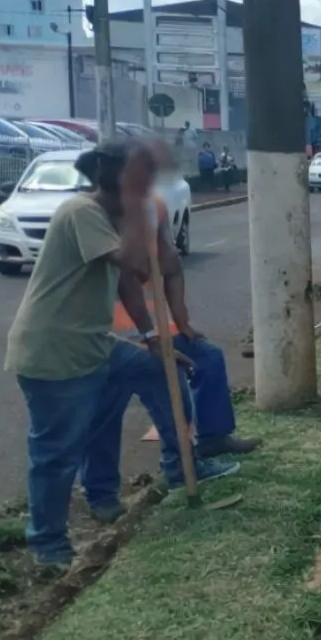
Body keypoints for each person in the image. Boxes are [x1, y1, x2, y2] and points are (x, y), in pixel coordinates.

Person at [3, 141, 227, 567]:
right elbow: (133, 263)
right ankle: (49, 546)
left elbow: (129, 282)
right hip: (53, 351)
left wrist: (153, 337)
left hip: (95, 345)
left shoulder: (112, 216)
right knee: (57, 452)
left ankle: (179, 468)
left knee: (161, 371)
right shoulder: (81, 212)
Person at [109, 172, 261, 471]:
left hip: (159, 329)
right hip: (118, 335)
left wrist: (182, 322)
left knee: (208, 357)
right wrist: (150, 335)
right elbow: (127, 276)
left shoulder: (155, 207)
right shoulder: (104, 214)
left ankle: (213, 438)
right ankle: (106, 489)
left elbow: (172, 266)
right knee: (114, 404)